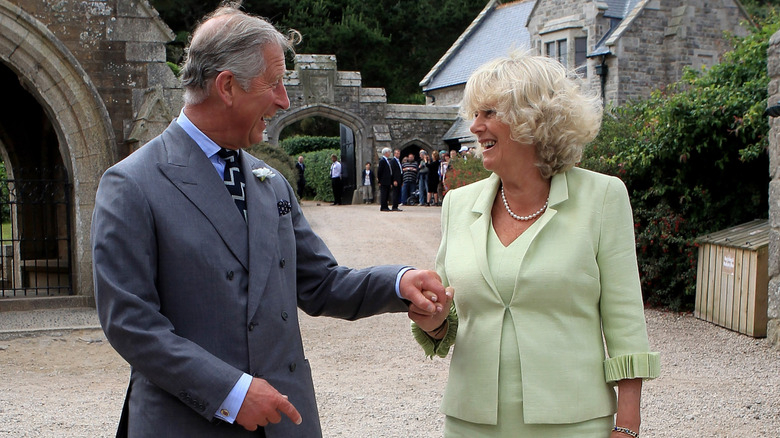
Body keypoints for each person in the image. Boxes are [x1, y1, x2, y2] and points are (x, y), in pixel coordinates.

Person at [91, 5, 448, 438]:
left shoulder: (270, 182)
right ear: (227, 86)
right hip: (186, 424)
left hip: (284, 423)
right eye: (274, 83)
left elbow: (320, 283)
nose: (284, 100)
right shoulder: (132, 184)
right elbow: (131, 323)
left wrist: (398, 282)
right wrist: (231, 392)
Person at [408, 52, 660, 438]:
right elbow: (449, 314)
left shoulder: (603, 197)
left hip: (574, 424)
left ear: (533, 118)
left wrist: (627, 427)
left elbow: (625, 320)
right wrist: (434, 321)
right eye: (475, 113)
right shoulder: (457, 204)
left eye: (489, 112)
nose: (474, 126)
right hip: (470, 424)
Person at [377, 147, 393, 211]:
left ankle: (386, 206)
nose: (389, 153)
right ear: (386, 153)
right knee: (384, 194)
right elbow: (380, 171)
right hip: (384, 180)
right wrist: (379, 181)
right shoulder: (382, 160)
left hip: (387, 180)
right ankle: (383, 207)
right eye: (389, 152)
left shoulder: (387, 160)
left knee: (387, 194)